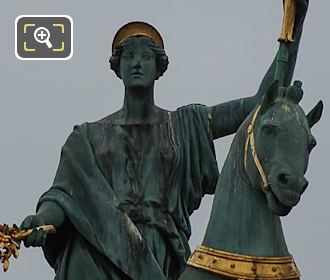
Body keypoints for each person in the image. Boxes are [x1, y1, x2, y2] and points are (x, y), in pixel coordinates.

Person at [20, 2, 309, 279]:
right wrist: (41, 219)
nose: (136, 64)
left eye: (146, 57)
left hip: (160, 257)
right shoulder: (86, 137)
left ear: (159, 68)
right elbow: (63, 196)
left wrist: (292, 27)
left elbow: (261, 103)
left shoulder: (185, 125)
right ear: (117, 67)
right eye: (129, 57)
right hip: (95, 256)